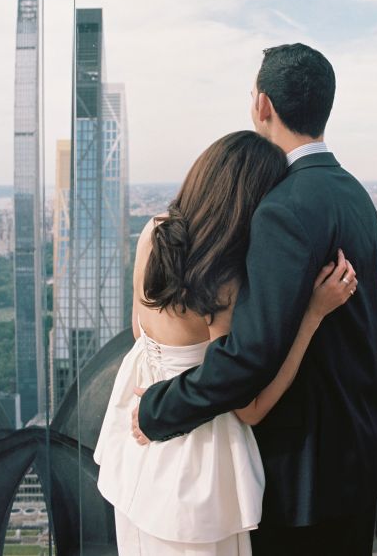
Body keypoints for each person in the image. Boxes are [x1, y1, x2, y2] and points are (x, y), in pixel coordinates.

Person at [133, 44, 377, 556]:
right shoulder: (355, 194)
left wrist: (158, 410)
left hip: (303, 476)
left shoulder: (281, 209)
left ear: (263, 106)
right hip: (360, 458)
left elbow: (249, 354)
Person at [93, 129, 357, 555]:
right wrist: (312, 316)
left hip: (134, 435)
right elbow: (250, 409)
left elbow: (139, 330)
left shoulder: (153, 234)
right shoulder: (224, 282)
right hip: (196, 458)